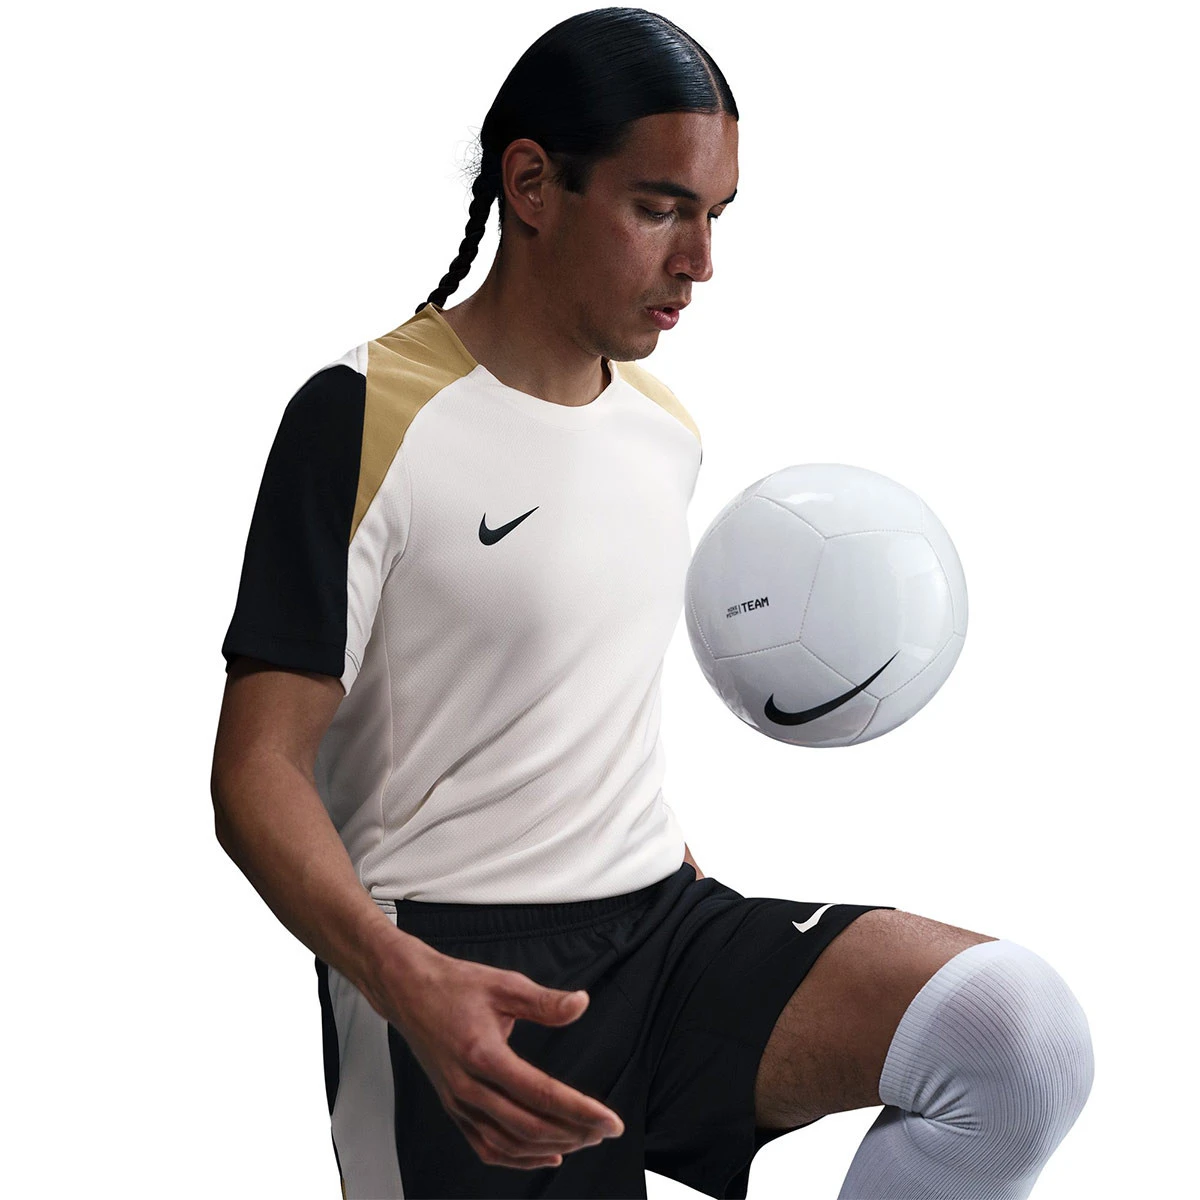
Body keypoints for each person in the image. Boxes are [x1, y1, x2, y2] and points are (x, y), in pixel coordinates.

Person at [211, 8, 1094, 1198]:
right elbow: (255, 769)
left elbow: (581, 709)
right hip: (456, 968)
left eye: (717, 215)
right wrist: (396, 977)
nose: (701, 262)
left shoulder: (662, 431)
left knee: (1014, 1039)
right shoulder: (361, 416)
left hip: (664, 927)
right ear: (533, 184)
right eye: (662, 207)